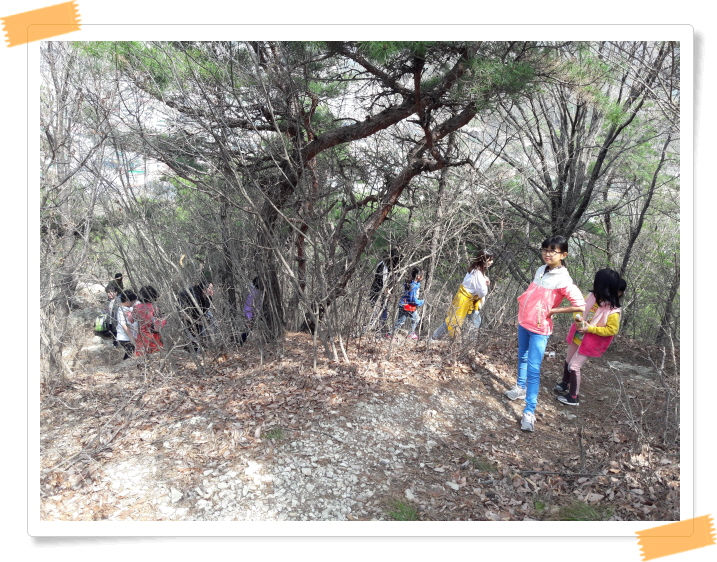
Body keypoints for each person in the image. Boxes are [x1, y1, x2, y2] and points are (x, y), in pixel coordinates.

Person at [503, 236, 586, 432]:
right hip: (524, 321)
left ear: (563, 255)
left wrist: (554, 310)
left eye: (552, 251)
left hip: (540, 329)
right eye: (545, 250)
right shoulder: (541, 269)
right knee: (522, 357)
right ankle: (520, 388)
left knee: (534, 369)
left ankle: (529, 411)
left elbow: (580, 305)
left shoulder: (563, 279)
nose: (547, 254)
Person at [554, 269, 625, 406]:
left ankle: (573, 397)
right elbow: (579, 308)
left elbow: (612, 330)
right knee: (568, 360)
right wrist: (578, 318)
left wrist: (590, 328)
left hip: (590, 342)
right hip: (577, 335)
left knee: (574, 366)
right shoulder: (592, 296)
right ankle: (565, 383)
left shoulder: (613, 311)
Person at [431, 249, 494, 341]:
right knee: (454, 321)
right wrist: (485, 285)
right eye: (490, 260)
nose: (492, 262)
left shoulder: (476, 270)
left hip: (469, 300)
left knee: (475, 320)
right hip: (464, 300)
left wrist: (486, 281)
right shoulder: (477, 272)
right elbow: (482, 292)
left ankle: (470, 342)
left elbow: (481, 280)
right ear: (484, 260)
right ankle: (435, 337)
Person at [367, 248, 401, 334]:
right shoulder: (383, 266)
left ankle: (380, 330)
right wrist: (387, 291)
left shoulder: (394, 267)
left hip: (384, 293)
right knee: (376, 312)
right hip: (377, 291)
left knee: (384, 311)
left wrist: (391, 292)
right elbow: (383, 280)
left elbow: (395, 279)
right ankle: (371, 330)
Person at [387, 268, 425, 340]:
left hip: (405, 305)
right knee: (412, 319)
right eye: (422, 276)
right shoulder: (413, 286)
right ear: (418, 276)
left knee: (407, 320)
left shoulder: (411, 283)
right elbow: (412, 300)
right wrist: (421, 302)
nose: (423, 277)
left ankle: (408, 334)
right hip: (407, 306)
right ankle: (391, 334)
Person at [178, 280, 215, 351]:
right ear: (203, 290)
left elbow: (204, 311)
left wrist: (204, 319)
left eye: (212, 288)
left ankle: (202, 348)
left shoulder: (208, 298)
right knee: (192, 339)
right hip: (187, 315)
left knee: (201, 333)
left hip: (197, 316)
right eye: (210, 288)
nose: (212, 290)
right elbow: (184, 315)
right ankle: (190, 351)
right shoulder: (194, 299)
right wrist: (197, 322)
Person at [134, 285, 166, 356]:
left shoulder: (136, 307)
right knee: (157, 357)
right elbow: (157, 327)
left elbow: (131, 320)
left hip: (141, 336)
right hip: (153, 336)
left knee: (142, 357)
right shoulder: (155, 308)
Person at [240, 277, 264, 345]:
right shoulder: (252, 293)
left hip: (255, 312)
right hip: (249, 314)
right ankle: (240, 343)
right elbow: (248, 306)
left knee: (249, 329)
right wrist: (249, 319)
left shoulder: (257, 291)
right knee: (248, 329)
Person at [115, 289, 138, 360]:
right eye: (133, 301)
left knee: (130, 356)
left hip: (132, 337)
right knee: (130, 356)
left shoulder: (130, 308)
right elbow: (123, 325)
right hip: (125, 338)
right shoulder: (121, 310)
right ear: (128, 301)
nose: (134, 303)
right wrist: (131, 337)